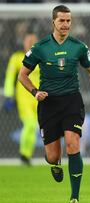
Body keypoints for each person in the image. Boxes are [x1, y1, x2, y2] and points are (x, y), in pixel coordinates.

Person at [17, 5, 90, 203]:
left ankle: (74, 197)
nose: (66, 24)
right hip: (48, 103)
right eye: (62, 21)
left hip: (71, 101)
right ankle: (54, 163)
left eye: (68, 21)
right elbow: (22, 75)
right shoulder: (40, 48)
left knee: (73, 144)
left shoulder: (78, 47)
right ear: (53, 22)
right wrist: (34, 91)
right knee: (52, 155)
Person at [3, 33, 39, 166]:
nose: (30, 43)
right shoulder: (17, 58)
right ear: (23, 42)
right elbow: (9, 77)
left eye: (33, 41)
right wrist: (8, 95)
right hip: (24, 98)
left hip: (39, 98)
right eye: (28, 40)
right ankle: (24, 154)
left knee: (34, 127)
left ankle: (27, 155)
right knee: (29, 124)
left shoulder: (41, 58)